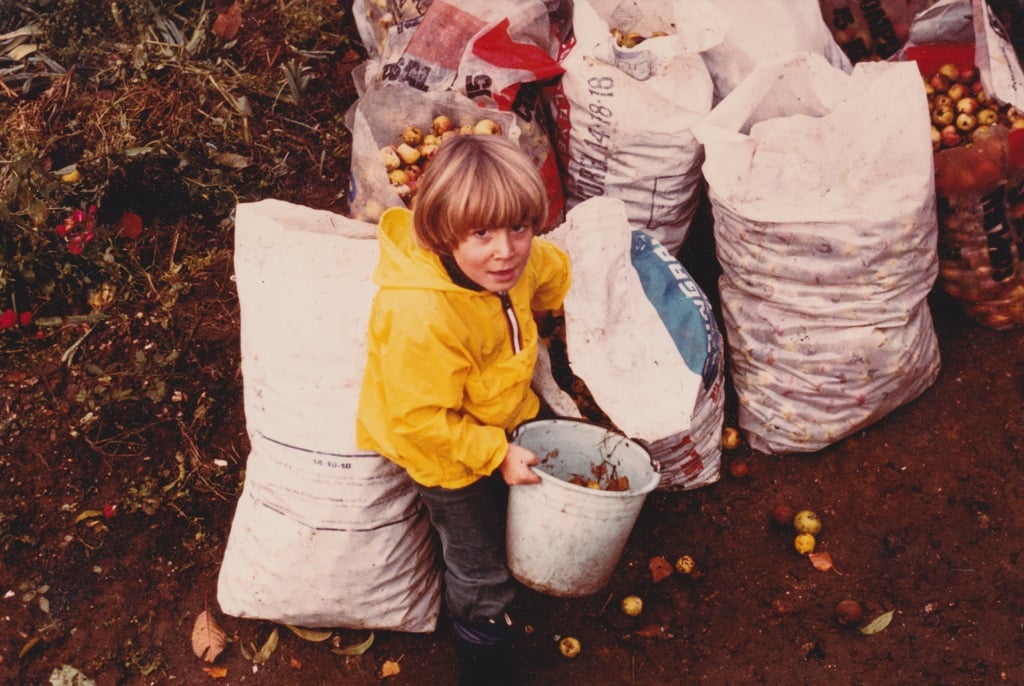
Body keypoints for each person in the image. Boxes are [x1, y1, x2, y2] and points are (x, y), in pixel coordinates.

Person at [356, 132, 571, 686]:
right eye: (482, 233)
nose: (505, 250)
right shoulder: (422, 315)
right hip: (444, 451)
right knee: (480, 564)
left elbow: (548, 272)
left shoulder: (511, 265)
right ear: (443, 233)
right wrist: (495, 454)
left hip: (499, 409)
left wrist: (573, 307)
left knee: (518, 504)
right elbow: (419, 421)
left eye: (518, 227)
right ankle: (484, 655)